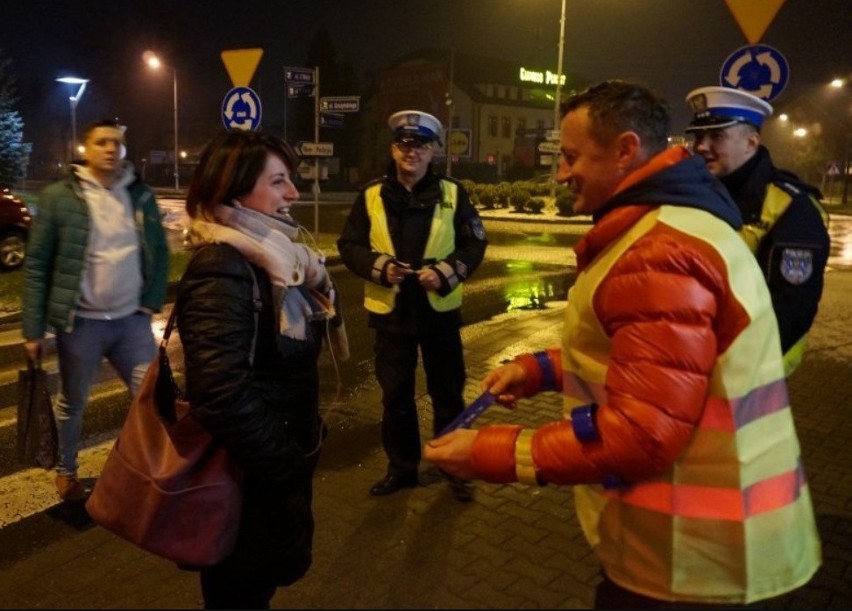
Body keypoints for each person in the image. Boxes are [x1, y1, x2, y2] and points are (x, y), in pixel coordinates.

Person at [424, 80, 821, 607]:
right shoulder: (674, 223)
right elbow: (647, 360)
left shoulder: (659, 249)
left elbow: (643, 432)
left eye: (571, 157)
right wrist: (540, 370)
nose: (561, 173)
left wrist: (494, 451)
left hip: (693, 562)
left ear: (626, 150)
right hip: (706, 551)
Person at [176, 129, 343, 609]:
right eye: (278, 182)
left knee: (251, 592)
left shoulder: (272, 260)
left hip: (261, 475)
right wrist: (285, 462)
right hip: (244, 481)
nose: (293, 192)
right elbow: (220, 393)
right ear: (234, 190)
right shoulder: (223, 267)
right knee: (238, 594)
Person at [337, 109, 488, 501]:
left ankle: (453, 467)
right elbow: (349, 246)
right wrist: (379, 267)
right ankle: (402, 470)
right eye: (405, 144)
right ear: (394, 148)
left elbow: (475, 244)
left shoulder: (453, 194)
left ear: (433, 150)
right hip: (392, 317)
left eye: (421, 145)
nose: (412, 152)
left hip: (438, 313)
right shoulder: (371, 195)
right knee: (396, 398)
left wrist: (446, 272)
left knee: (449, 395)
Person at [22, 118, 169, 503]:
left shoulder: (139, 195)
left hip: (131, 322)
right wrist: (33, 329)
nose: (109, 149)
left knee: (152, 397)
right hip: (81, 323)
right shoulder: (60, 197)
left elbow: (160, 250)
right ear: (85, 148)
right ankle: (67, 472)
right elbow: (37, 263)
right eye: (101, 142)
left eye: (116, 143)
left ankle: (150, 469)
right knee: (73, 401)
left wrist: (150, 301)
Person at [685, 86, 830, 375]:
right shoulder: (697, 193)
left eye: (716, 136)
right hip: (693, 362)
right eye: (699, 136)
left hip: (750, 372)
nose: (701, 146)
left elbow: (790, 308)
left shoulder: (791, 207)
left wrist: (740, 369)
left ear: (751, 143)